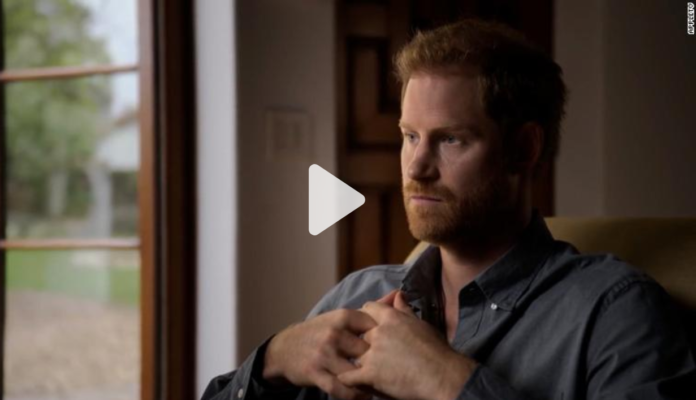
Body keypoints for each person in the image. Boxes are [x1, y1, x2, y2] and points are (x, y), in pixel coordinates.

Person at [202, 19, 695, 400]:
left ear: (523, 149)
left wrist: (446, 381)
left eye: (451, 139)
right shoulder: (357, 295)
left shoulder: (614, 311)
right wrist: (275, 357)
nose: (416, 167)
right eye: (409, 136)